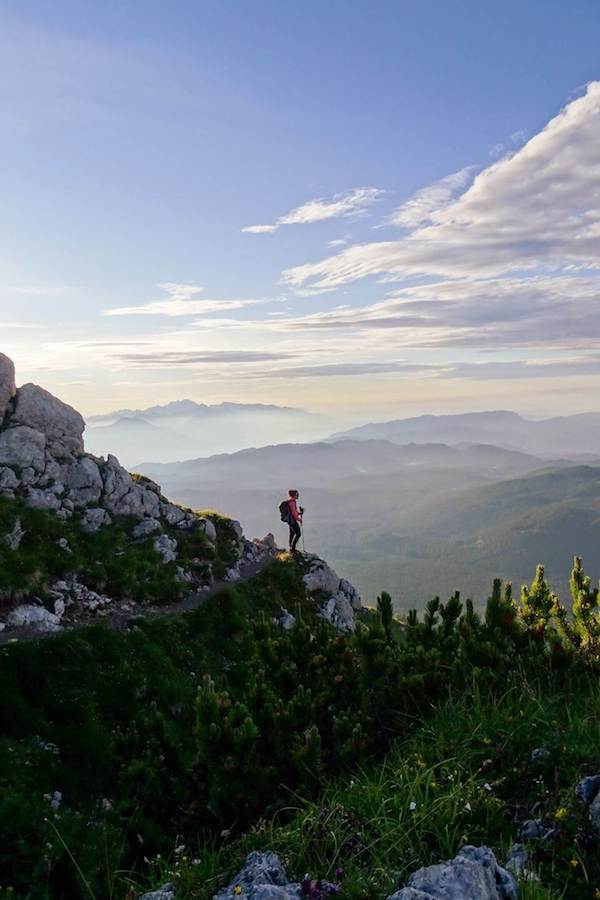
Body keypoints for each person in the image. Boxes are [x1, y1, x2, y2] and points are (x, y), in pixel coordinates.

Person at [286, 488, 303, 552]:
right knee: (298, 534)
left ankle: (291, 547)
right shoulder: (292, 502)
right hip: (293, 521)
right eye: (297, 494)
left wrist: (299, 513)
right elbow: (293, 513)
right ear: (294, 495)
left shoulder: (290, 501)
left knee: (292, 533)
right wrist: (299, 519)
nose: (298, 495)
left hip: (290, 520)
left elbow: (293, 512)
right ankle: (292, 549)